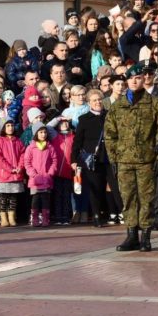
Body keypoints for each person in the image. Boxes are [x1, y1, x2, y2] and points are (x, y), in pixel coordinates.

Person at [105, 64, 158, 252]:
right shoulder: (118, 106)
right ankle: (132, 235)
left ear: (144, 79)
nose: (133, 81)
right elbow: (110, 134)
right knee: (128, 198)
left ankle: (146, 236)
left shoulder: (154, 103)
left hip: (147, 160)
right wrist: (114, 159)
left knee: (147, 198)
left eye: (137, 78)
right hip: (124, 161)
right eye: (130, 79)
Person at [71, 89, 111, 228]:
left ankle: (115, 213)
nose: (97, 102)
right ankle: (96, 216)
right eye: (94, 100)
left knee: (114, 187)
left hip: (109, 157)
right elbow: (77, 142)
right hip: (91, 159)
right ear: (89, 103)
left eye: (99, 99)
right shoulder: (84, 119)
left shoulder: (109, 116)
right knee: (95, 188)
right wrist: (74, 160)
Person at [24, 122, 58, 227]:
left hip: (46, 179)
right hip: (35, 180)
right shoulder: (31, 147)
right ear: (36, 134)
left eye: (45, 132)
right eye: (41, 132)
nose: (43, 134)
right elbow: (27, 162)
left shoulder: (50, 147)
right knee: (35, 199)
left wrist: (50, 173)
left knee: (45, 199)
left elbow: (54, 161)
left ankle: (45, 219)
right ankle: (34, 218)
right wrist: (33, 174)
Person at [0, 120, 26, 227]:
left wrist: (19, 167)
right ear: (3, 128)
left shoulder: (18, 141)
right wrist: (10, 169)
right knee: (4, 197)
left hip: (16, 174)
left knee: (13, 197)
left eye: (12, 125)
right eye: (7, 125)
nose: (10, 128)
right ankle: (3, 218)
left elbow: (23, 155)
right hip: (4, 174)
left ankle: (11, 217)